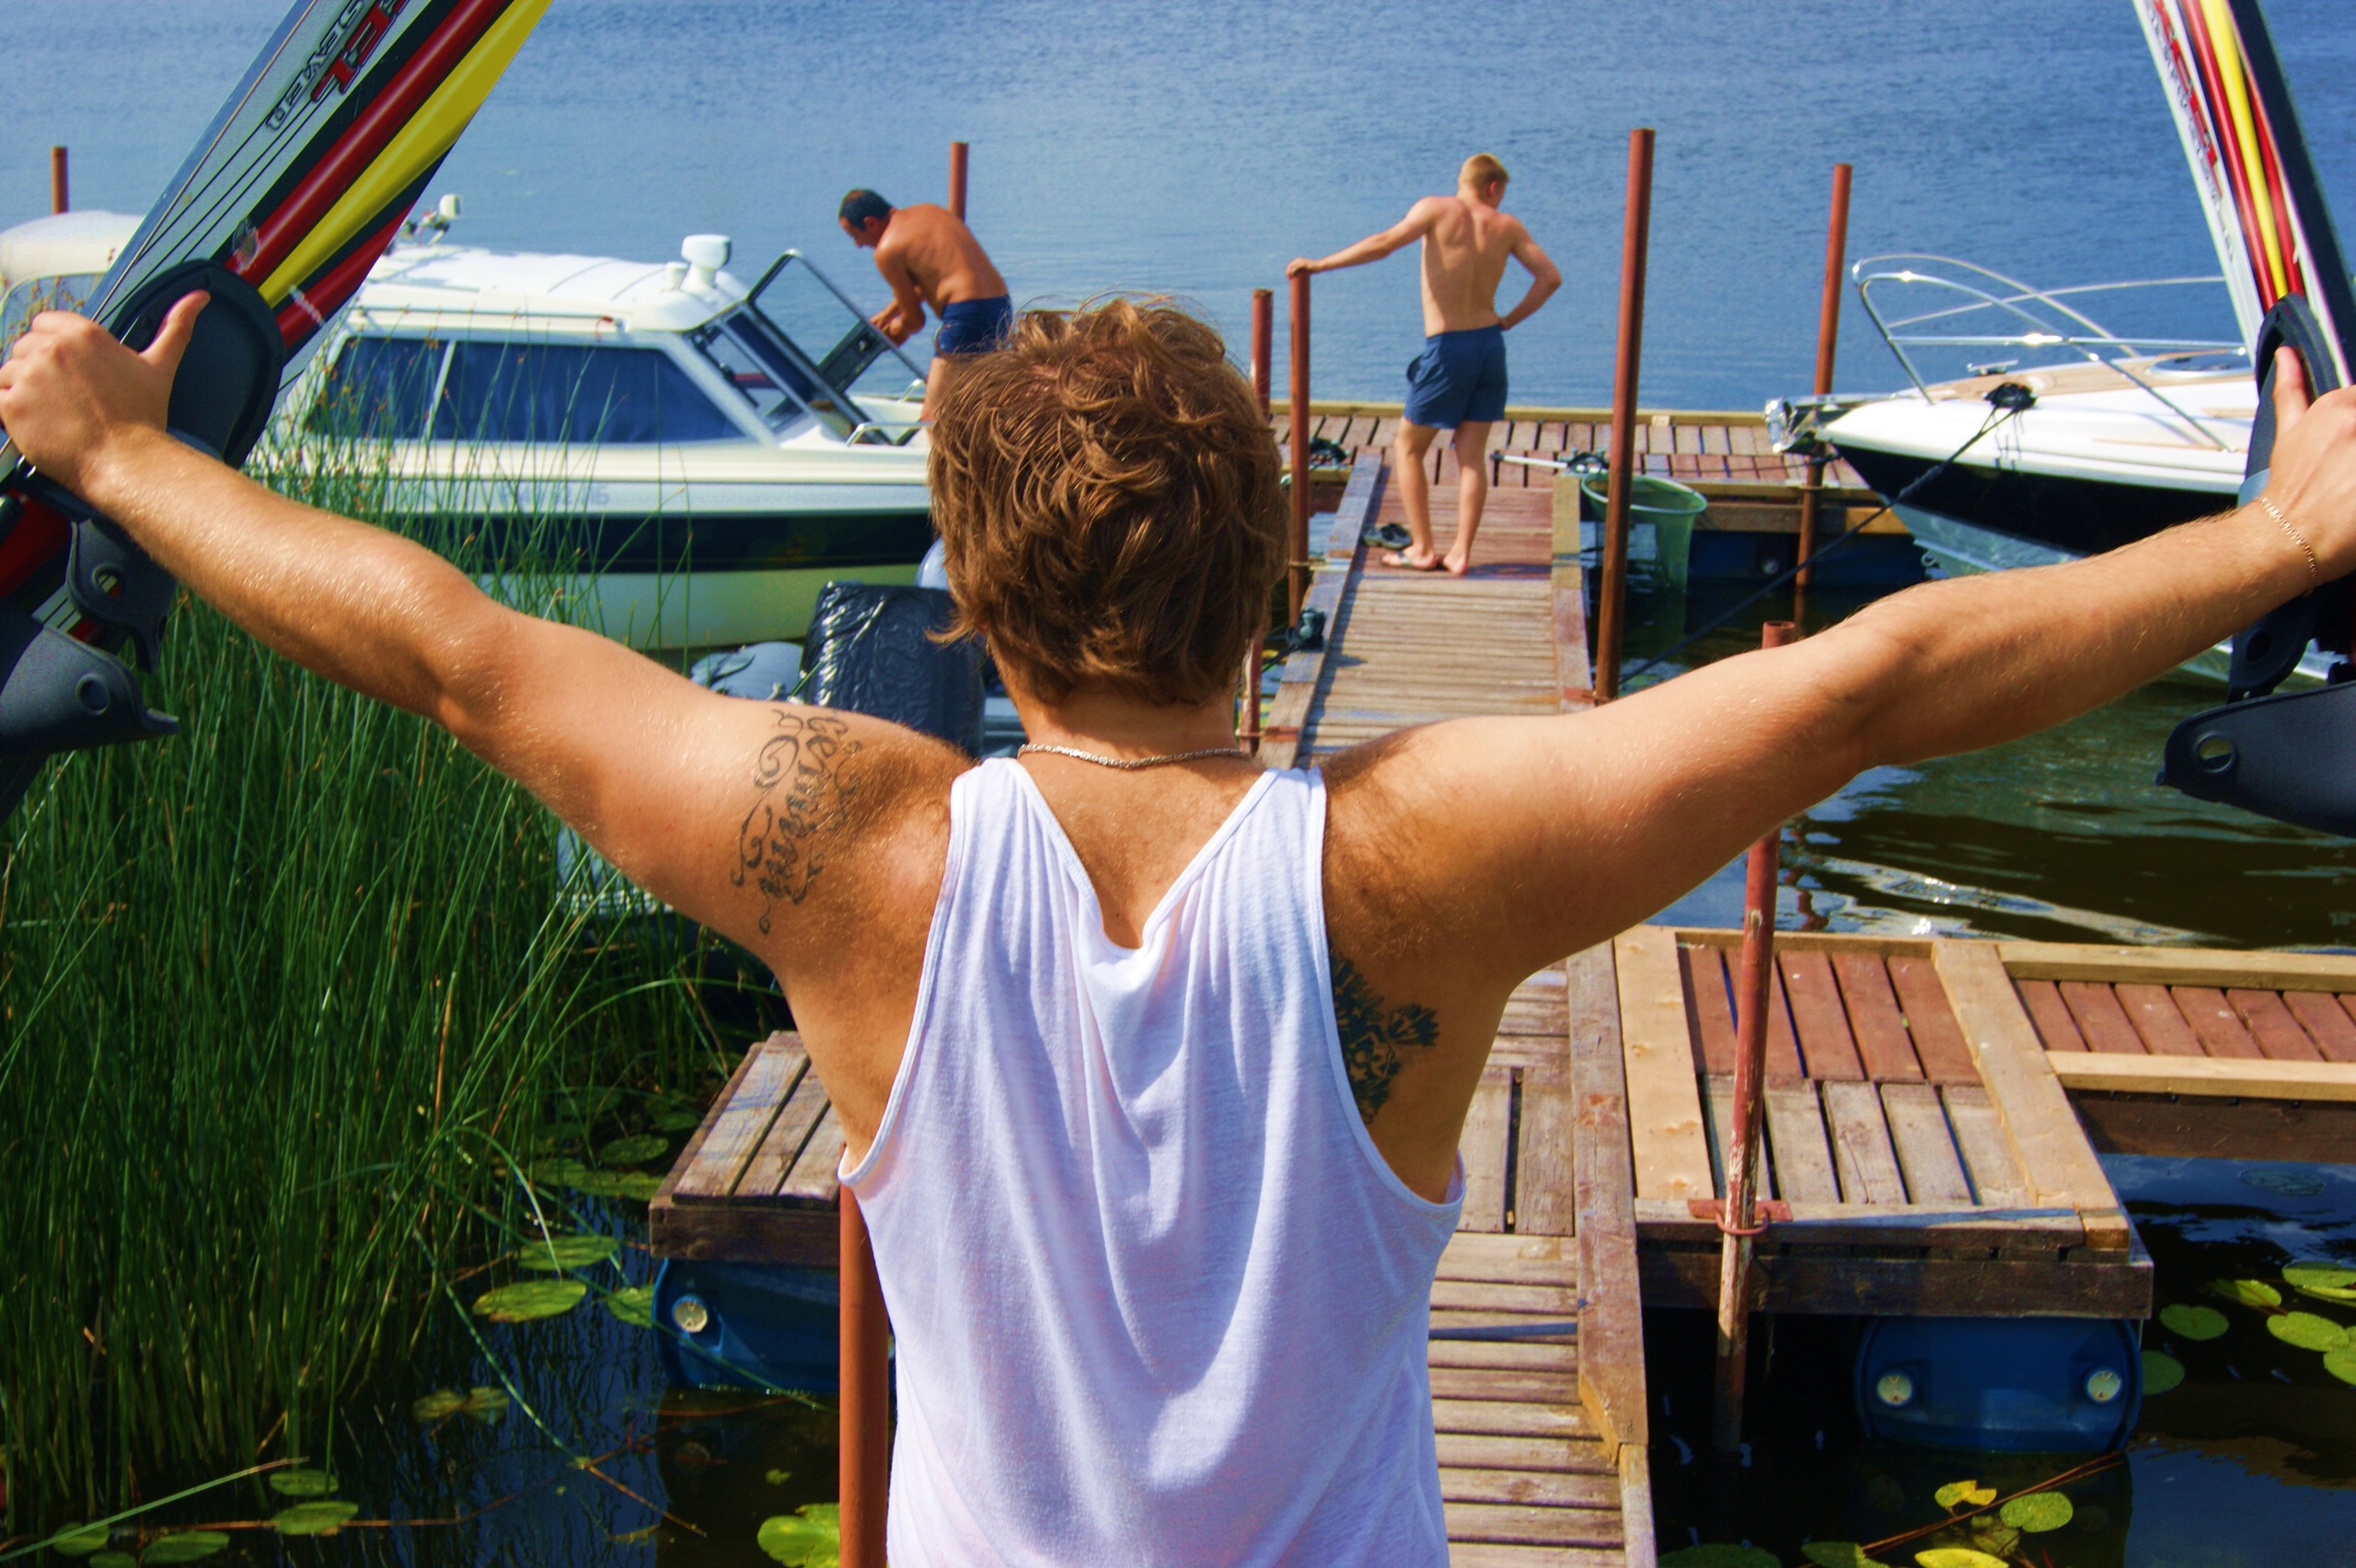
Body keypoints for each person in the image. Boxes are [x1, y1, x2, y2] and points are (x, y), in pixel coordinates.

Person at [6, 293, 2355, 1564]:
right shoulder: (1416, 858)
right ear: (1275, 572)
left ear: (969, 588)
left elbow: (451, 649)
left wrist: (119, 455)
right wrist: (2272, 539)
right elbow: (1868, 684)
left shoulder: (850, 848)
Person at [1290, 153, 1561, 574]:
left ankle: (1422, 549)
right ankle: (1461, 553)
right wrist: (1508, 319)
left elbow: (1384, 243)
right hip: (1490, 346)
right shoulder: (1507, 226)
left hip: (1448, 347)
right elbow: (1550, 278)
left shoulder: (1435, 209)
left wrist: (1321, 264)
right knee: (1471, 455)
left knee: (1407, 447)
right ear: (1492, 187)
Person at [837, 188, 1011, 421]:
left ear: (870, 223)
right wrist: (889, 313)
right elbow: (933, 280)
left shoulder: (887, 249)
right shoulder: (930, 211)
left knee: (933, 417)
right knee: (979, 404)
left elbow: (915, 321)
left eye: (855, 236)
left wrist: (893, 334)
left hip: (966, 316)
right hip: (1000, 306)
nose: (858, 245)